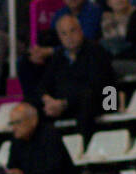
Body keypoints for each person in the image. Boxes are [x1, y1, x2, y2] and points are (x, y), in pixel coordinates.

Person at [36, 14, 113, 142]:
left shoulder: (96, 51)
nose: (69, 37)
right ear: (59, 37)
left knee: (87, 98)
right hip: (66, 104)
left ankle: (82, 146)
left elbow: (97, 86)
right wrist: (48, 99)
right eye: (64, 34)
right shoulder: (58, 57)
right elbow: (43, 84)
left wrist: (64, 103)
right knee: (33, 106)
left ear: (80, 30)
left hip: (106, 100)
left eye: (73, 31)